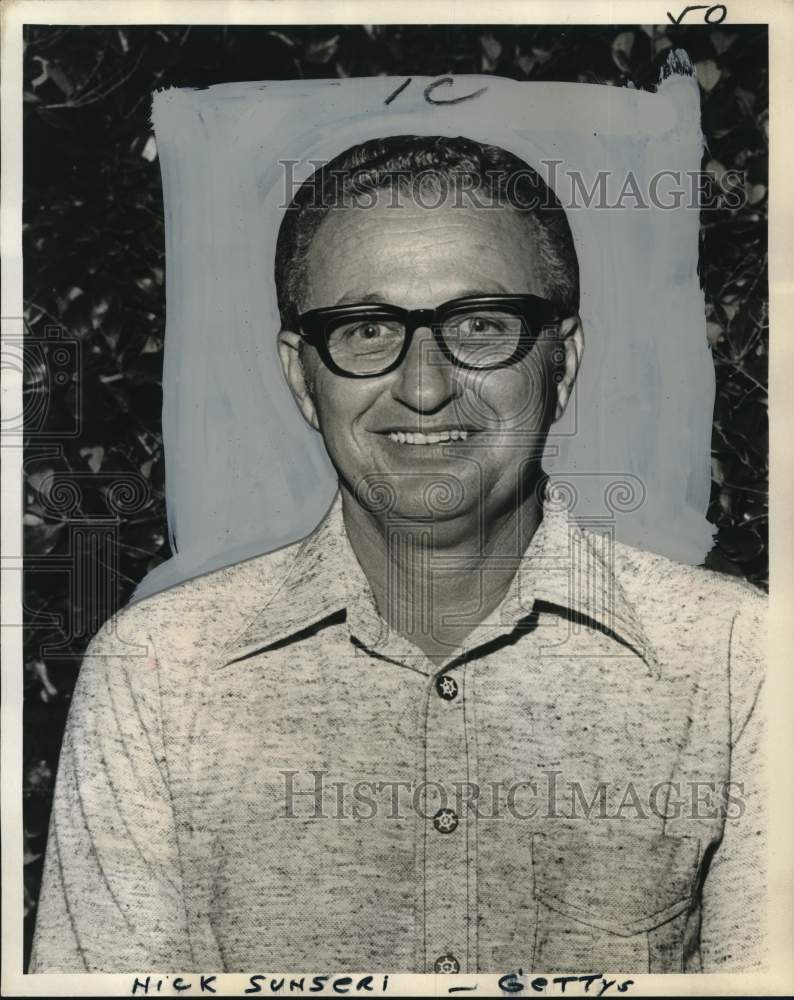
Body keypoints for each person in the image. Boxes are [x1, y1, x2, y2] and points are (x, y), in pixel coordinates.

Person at [30, 135, 766, 975]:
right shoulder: (152, 675)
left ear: (561, 365)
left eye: (482, 325)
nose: (423, 388)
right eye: (367, 328)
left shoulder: (742, 661)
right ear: (305, 379)